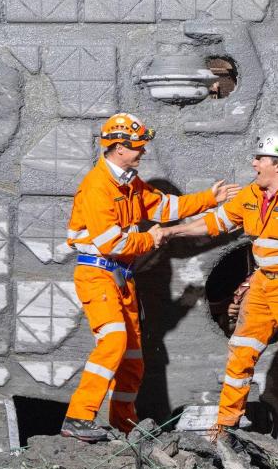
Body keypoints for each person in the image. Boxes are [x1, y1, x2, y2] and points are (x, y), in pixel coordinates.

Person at [162, 127, 278, 452]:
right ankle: (225, 429)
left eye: (259, 158)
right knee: (240, 353)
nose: (254, 163)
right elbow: (215, 222)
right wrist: (174, 231)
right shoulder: (251, 196)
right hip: (264, 282)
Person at [61, 113, 239, 442]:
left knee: (132, 358)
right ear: (118, 148)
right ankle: (78, 417)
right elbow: (111, 243)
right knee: (113, 341)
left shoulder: (128, 182)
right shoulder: (98, 187)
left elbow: (163, 208)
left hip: (121, 278)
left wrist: (209, 199)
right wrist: (153, 239)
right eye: (138, 146)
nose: (143, 152)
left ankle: (124, 423)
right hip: (97, 274)